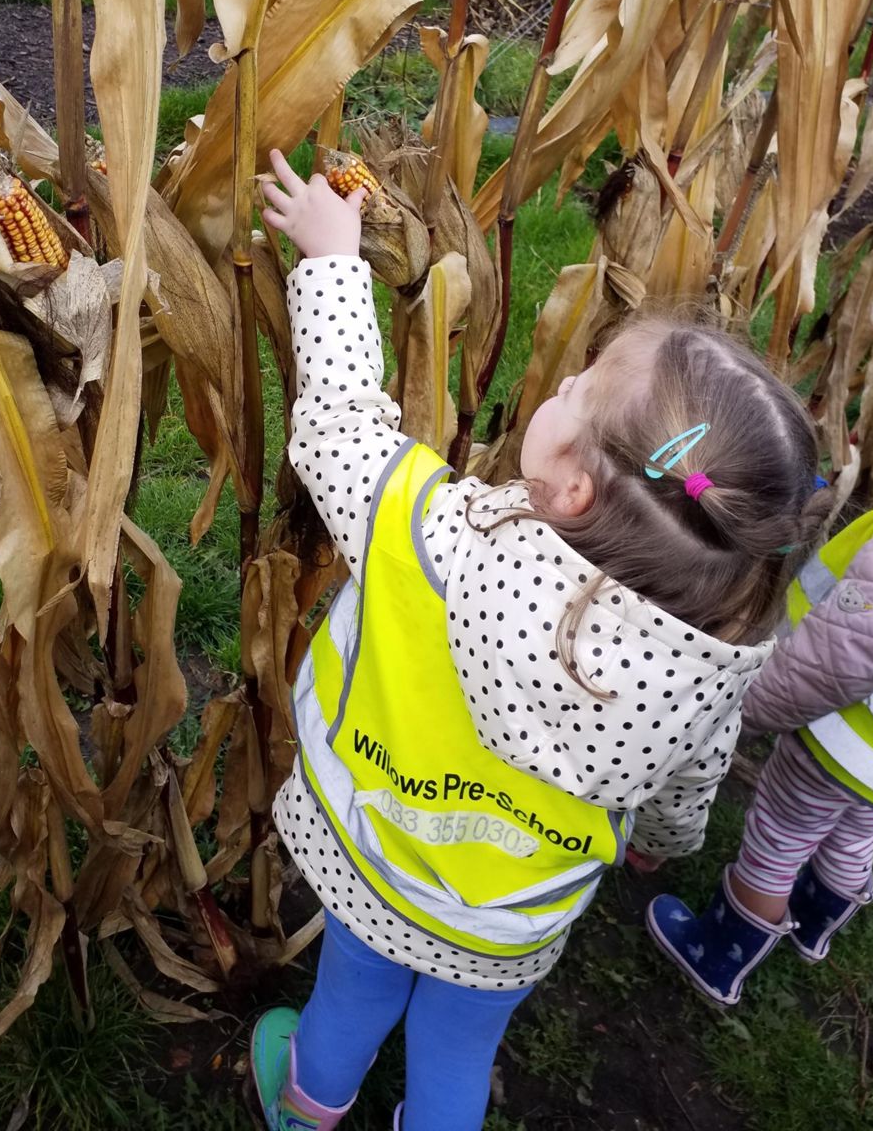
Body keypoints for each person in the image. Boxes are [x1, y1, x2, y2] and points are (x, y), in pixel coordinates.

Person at [250, 150, 826, 1131]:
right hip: (518, 914)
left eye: (580, 384)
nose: (559, 382)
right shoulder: (721, 651)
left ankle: (307, 1105)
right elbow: (697, 772)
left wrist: (334, 261)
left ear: (572, 489)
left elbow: (342, 431)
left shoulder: (441, 545)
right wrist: (665, 842)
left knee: (351, 996)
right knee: (459, 1048)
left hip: (379, 859)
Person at [646, 499, 873, 1006]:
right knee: (854, 829)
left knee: (780, 837)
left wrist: (746, 714)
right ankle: (813, 930)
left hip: (843, 737)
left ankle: (718, 957)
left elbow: (838, 658)